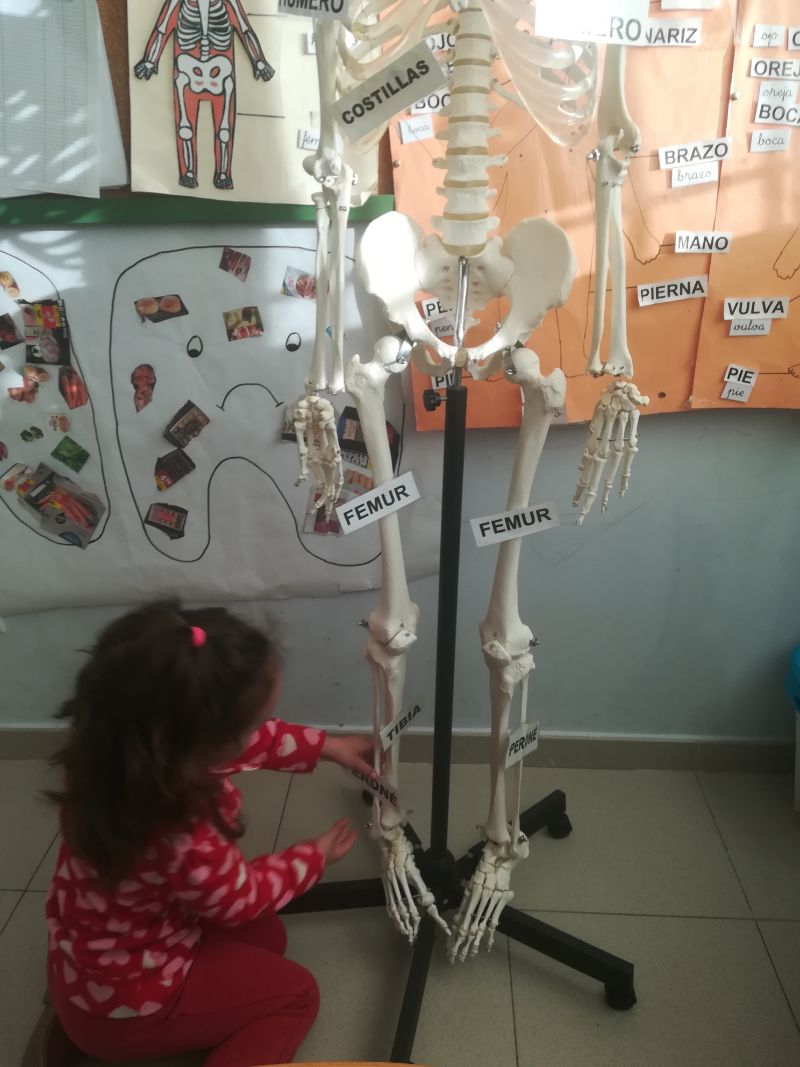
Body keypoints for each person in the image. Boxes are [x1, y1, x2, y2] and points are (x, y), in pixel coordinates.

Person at [42, 600, 374, 1067]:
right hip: (129, 1008)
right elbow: (242, 898)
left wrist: (327, 747)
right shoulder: (184, 831)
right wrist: (312, 858)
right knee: (297, 994)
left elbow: (244, 743)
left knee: (268, 938)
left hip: (88, 967)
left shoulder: (113, 759)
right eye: (252, 725)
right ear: (206, 743)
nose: (259, 732)